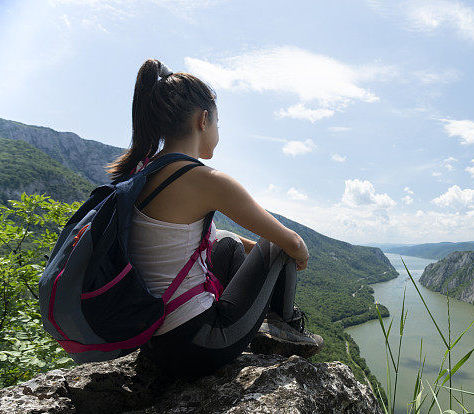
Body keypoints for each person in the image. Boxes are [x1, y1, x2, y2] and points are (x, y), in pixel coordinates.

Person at [106, 58, 323, 380]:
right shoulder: (206, 180)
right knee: (278, 244)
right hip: (200, 345)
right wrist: (295, 255)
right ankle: (285, 326)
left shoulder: (143, 173)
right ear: (203, 120)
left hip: (155, 341)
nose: (218, 131)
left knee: (228, 241)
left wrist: (261, 257)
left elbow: (202, 238)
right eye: (219, 124)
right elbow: (292, 242)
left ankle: (269, 324)